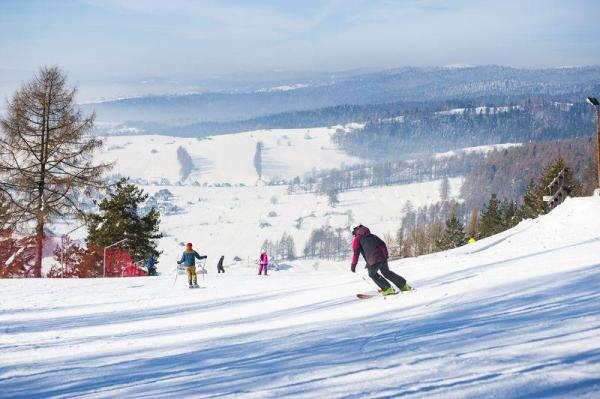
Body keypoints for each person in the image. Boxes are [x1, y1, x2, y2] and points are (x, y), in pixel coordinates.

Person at [351, 224, 411, 295]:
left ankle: (387, 288)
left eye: (352, 233)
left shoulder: (357, 239)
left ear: (354, 231)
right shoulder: (372, 236)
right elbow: (383, 244)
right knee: (386, 272)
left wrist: (353, 265)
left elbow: (356, 254)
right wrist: (385, 255)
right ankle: (404, 286)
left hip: (373, 258)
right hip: (382, 256)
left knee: (372, 274)